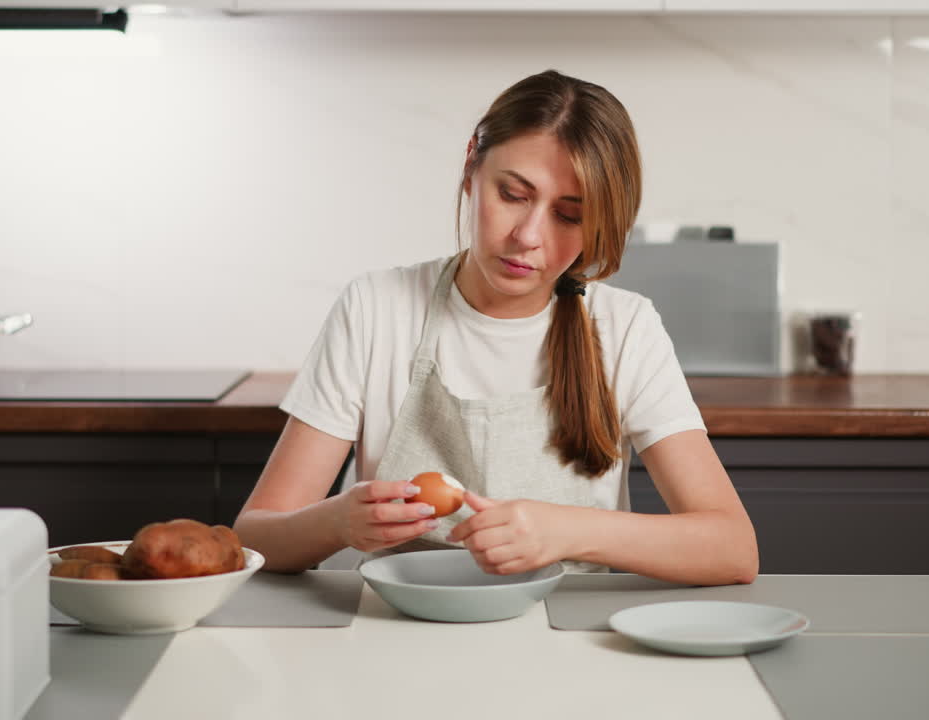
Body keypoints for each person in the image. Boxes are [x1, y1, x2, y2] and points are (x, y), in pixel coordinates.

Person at [234, 69, 758, 585]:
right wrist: (337, 521)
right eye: (512, 194)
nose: (529, 235)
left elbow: (733, 549)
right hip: (396, 638)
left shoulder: (624, 328)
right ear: (471, 167)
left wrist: (570, 530)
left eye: (569, 216)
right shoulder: (376, 308)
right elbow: (255, 538)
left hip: (566, 643)